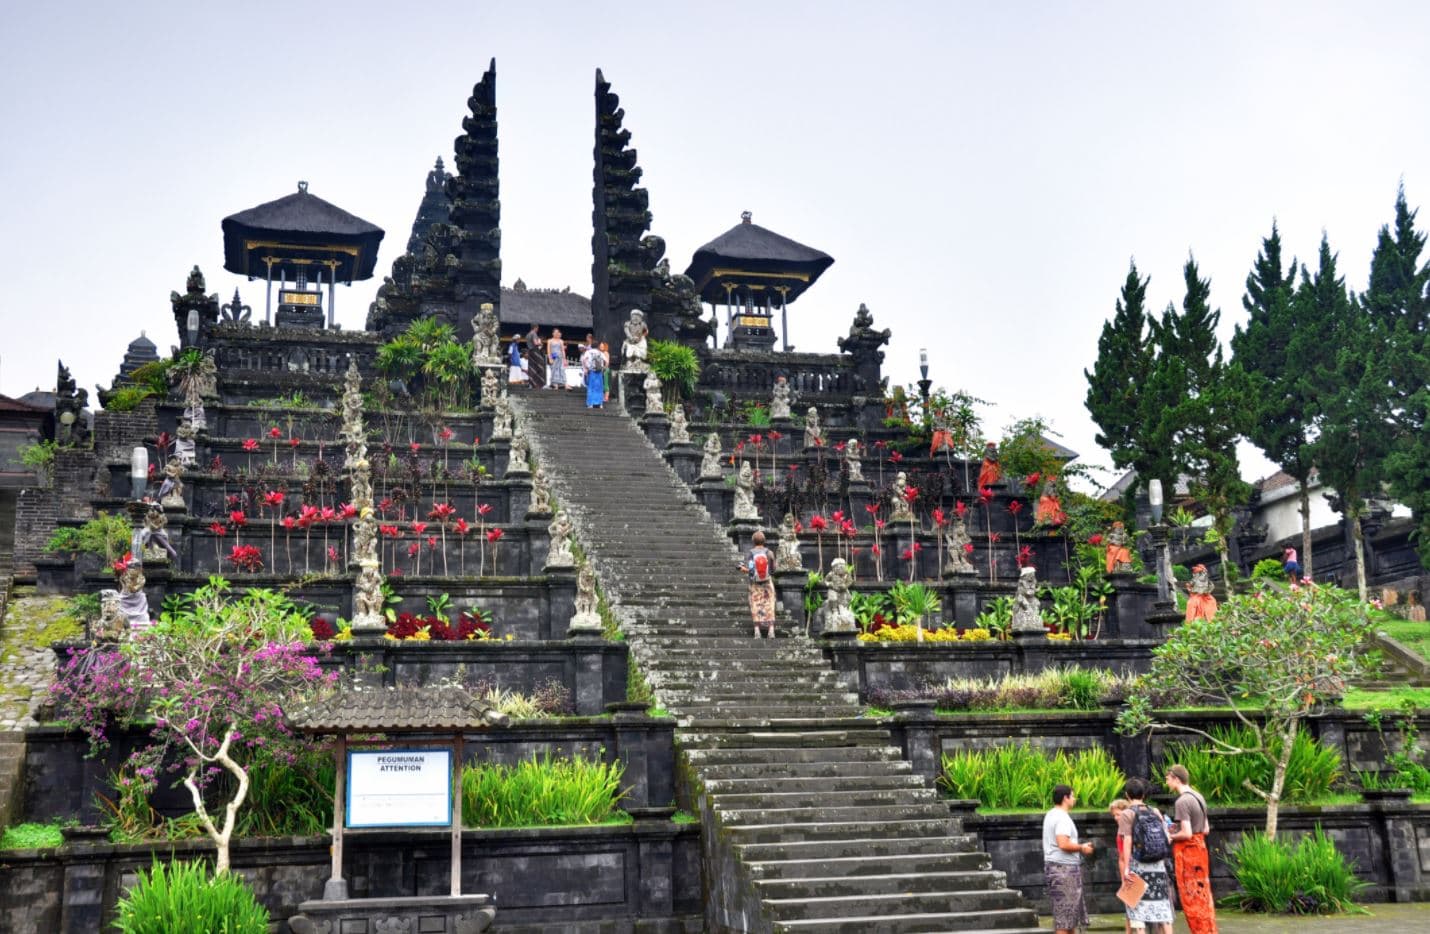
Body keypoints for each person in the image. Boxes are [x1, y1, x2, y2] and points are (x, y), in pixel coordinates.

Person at [1116, 778, 1174, 934]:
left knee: (1136, 910)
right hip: (1158, 866)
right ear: (1143, 794)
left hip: (1138, 866)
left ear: (1127, 795)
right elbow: (1166, 836)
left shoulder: (1127, 814)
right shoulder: (1154, 811)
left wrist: (1127, 867)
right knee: (1162, 909)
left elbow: (1127, 841)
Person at [1165, 765, 1217, 933]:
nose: (1166, 782)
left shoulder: (1182, 801)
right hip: (1201, 850)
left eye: (1168, 779)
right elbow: (1205, 828)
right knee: (1203, 895)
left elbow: (1187, 833)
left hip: (1188, 854)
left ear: (1176, 779)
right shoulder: (1198, 796)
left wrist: (1170, 835)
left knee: (1191, 896)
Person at [1042, 784, 1092, 934]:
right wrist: (1082, 847)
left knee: (1070, 918)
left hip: (1057, 868)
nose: (1075, 799)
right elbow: (1063, 843)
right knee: (1064, 920)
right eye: (1073, 795)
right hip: (1064, 871)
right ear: (1066, 798)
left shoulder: (1051, 814)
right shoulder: (1062, 818)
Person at [743, 530, 776, 639]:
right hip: (767, 582)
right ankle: (771, 630)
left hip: (755, 584)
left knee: (755, 604)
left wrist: (743, 569)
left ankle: (757, 630)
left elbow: (751, 571)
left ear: (753, 541)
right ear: (764, 541)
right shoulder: (769, 553)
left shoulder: (750, 553)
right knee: (769, 604)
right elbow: (773, 570)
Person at [580, 340, 607, 409]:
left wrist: (586, 368)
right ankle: (600, 404)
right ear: (598, 346)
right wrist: (604, 368)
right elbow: (606, 361)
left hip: (591, 371)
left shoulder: (588, 352)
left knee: (591, 387)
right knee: (599, 388)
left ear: (591, 346)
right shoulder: (600, 353)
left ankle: (591, 404)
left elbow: (584, 360)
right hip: (599, 372)